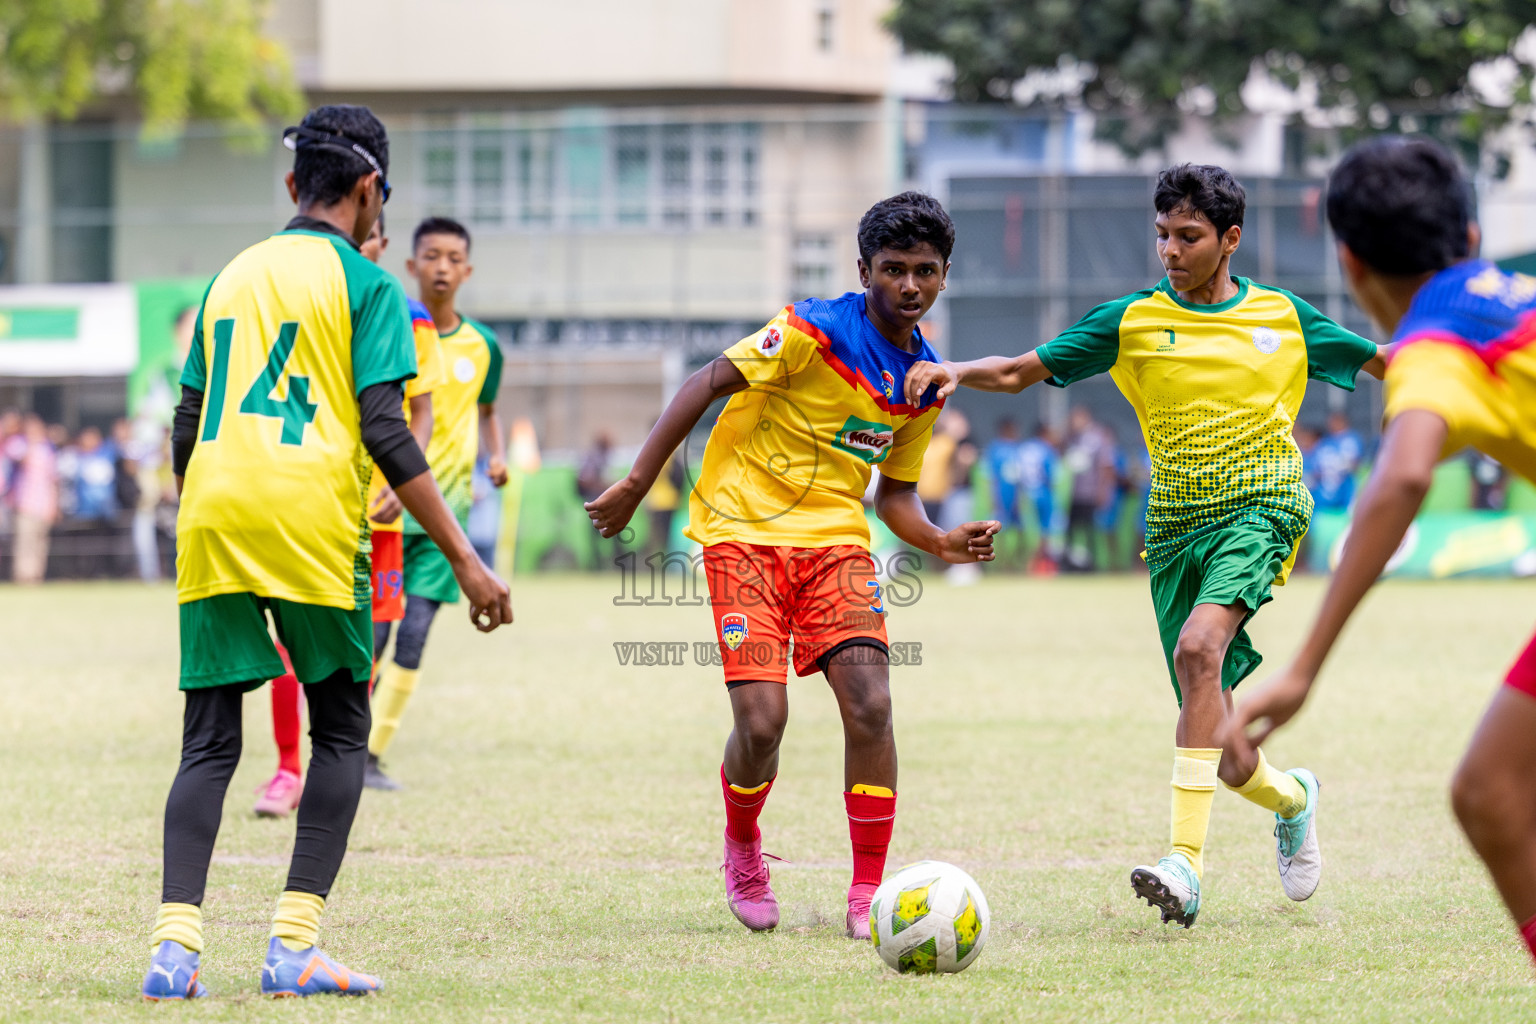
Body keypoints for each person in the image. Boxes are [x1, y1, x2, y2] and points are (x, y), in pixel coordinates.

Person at [903, 163, 1385, 928]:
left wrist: (1463, 376)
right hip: (1174, 532)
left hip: (1261, 509)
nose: (1169, 249)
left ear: (1229, 239)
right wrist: (956, 370)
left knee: (1201, 649)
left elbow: (1387, 363)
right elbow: (1023, 369)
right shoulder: (1129, 320)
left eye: (1187, 236)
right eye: (1161, 234)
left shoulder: (1284, 317)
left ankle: (1184, 869)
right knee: (1224, 750)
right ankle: (1294, 797)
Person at [140, 104, 512, 1001]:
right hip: (309, 514)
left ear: (289, 186)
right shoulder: (369, 286)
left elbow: (189, 420)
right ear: (368, 190)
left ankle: (174, 951)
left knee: (207, 743)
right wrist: (464, 555)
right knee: (342, 728)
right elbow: (387, 428)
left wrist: (205, 512)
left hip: (213, 511)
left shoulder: (232, 274)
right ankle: (293, 945)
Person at [585, 191, 999, 940]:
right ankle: (742, 843)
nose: (910, 285)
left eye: (926, 272)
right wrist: (639, 482)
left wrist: (939, 542)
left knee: (872, 705)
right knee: (763, 721)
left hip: (837, 543)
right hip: (741, 533)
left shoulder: (926, 379)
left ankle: (868, 890)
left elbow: (897, 495)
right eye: (895, 269)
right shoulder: (812, 329)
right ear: (864, 270)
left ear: (943, 277)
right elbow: (707, 383)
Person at [1227, 135, 1536, 973]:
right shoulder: (1517, 300)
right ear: (1470, 238)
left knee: (1491, 793)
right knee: (1491, 790)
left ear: (1350, 263)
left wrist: (1303, 667)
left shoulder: (1435, 348)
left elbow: (1401, 480)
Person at [252, 211, 443, 818]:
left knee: (364, 647)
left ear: (380, 242)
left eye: (363, 240)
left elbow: (421, 413)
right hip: (303, 505)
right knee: (286, 644)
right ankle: (287, 769)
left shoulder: (407, 316)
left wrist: (398, 481)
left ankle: (336, 764)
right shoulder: (293, 302)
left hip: (375, 516)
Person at [366, 216, 507, 791]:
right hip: (389, 508)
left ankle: (371, 755)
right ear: (411, 265)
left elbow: (488, 409)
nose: (441, 267)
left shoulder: (484, 346)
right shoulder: (392, 327)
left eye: (453, 258)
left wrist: (495, 457)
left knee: (417, 633)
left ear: (467, 270)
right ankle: (340, 746)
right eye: (431, 256)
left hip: (447, 516)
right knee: (373, 634)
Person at [9, 415, 58, 584]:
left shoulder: (47, 449)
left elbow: (53, 479)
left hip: (43, 505)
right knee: (25, 542)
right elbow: (21, 460)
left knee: (41, 542)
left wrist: (53, 504)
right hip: (25, 504)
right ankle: (23, 576)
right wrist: (31, 441)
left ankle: (37, 575)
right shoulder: (19, 444)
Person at [1018, 421, 1061, 573]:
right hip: (1043, 493)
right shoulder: (1046, 449)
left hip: (1026, 494)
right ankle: (1039, 564)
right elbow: (1049, 475)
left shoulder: (1024, 449)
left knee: (1027, 530)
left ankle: (1024, 563)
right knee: (1045, 531)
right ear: (1044, 433)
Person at [984, 417, 1026, 570]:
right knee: (999, 529)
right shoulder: (995, 449)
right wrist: (994, 497)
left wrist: (1021, 498)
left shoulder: (1018, 449)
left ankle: (1016, 560)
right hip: (1002, 495)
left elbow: (1021, 476)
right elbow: (992, 477)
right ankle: (1001, 562)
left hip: (1016, 496)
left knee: (1021, 530)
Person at [1309, 410, 1365, 512]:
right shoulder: (1325, 443)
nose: (1333, 424)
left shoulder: (1351, 439)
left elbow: (1355, 464)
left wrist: (1339, 466)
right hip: (1325, 492)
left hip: (1346, 489)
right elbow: (1316, 468)